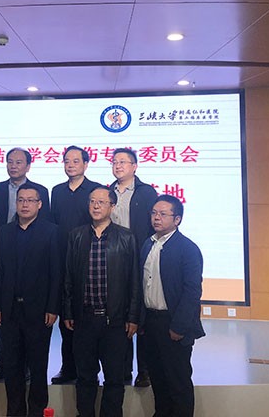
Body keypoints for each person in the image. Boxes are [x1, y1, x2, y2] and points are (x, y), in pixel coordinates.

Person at [63, 186, 140, 417]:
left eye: (101, 202)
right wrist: (68, 311)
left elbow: (134, 280)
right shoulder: (76, 235)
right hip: (84, 319)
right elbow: (68, 277)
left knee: (114, 378)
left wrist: (133, 316)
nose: (96, 206)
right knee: (85, 377)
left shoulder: (126, 237)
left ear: (112, 207)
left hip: (114, 321)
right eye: (92, 201)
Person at [0, 184, 61, 417]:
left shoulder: (51, 231)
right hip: (9, 309)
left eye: (30, 200)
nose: (25, 204)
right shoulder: (4, 232)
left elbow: (56, 273)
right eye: (21, 200)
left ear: (39, 204)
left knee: (38, 367)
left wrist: (53, 307)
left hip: (39, 310)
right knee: (12, 367)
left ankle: (37, 412)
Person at [0, 147, 50, 381]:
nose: (13, 166)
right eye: (10, 161)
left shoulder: (40, 191)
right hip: (4, 247)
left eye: (19, 162)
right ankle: (4, 363)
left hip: (31, 254)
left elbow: (45, 225)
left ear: (28, 166)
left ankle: (29, 366)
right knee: (6, 322)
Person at [140, 195, 205, 417]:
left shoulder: (188, 248)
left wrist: (179, 326)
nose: (156, 218)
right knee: (158, 379)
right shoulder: (148, 244)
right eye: (153, 213)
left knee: (178, 382)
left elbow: (192, 291)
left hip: (174, 324)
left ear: (177, 219)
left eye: (162, 214)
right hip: (151, 322)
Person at [49, 145, 101, 384]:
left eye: (75, 161)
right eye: (67, 161)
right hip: (61, 259)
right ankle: (68, 367)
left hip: (88, 260)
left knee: (85, 319)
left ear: (86, 164)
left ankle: (87, 370)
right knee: (65, 317)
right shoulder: (57, 191)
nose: (70, 165)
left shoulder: (95, 190)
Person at [108, 147, 157, 387]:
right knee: (120, 316)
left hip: (139, 258)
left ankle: (144, 369)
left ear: (134, 166)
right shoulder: (107, 192)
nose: (118, 166)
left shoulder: (146, 192)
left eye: (123, 162)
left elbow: (153, 224)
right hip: (114, 261)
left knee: (142, 317)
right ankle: (123, 369)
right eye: (114, 162)